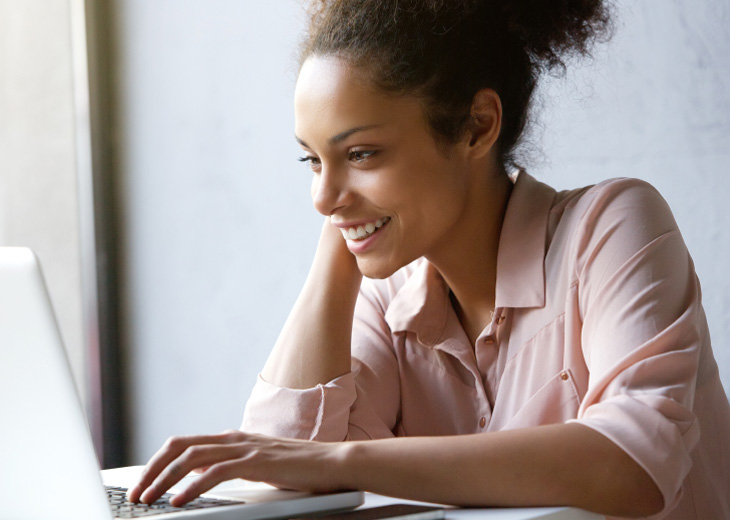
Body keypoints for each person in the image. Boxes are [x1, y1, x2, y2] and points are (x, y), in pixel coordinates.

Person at [127, 0, 730, 518]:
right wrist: (345, 233)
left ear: (476, 126)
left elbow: (635, 462)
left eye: (361, 153)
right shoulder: (386, 300)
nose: (320, 195)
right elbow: (279, 475)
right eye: (311, 160)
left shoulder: (612, 226)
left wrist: (346, 461)